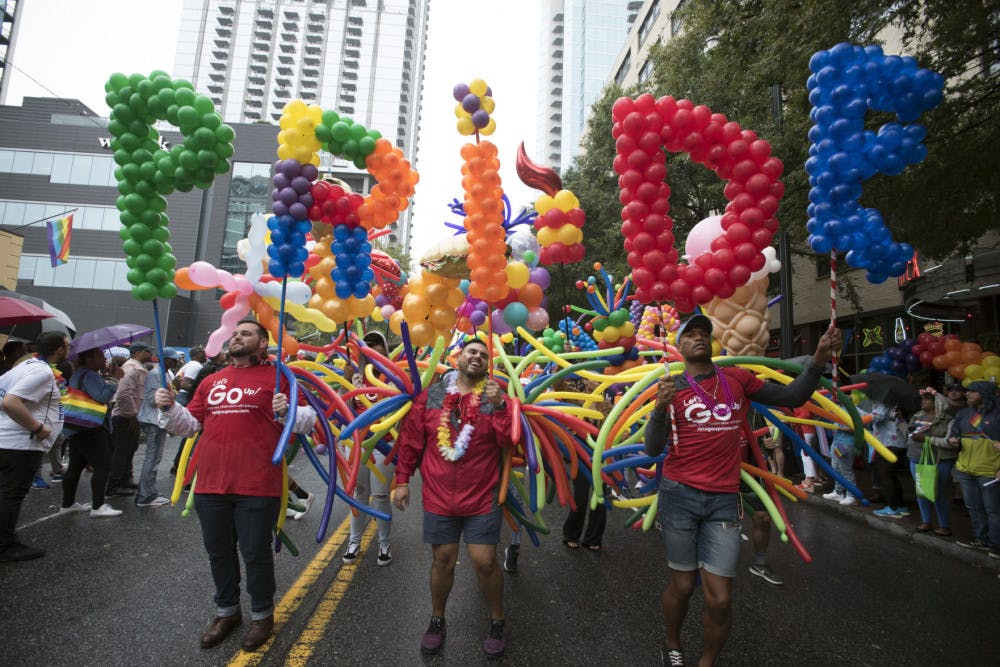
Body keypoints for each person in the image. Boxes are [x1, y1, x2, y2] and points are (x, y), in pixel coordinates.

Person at [643, 314, 840, 667]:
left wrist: (819, 358)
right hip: (679, 497)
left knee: (720, 599)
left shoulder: (736, 379)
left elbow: (792, 394)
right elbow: (652, 448)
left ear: (712, 343)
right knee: (684, 586)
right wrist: (659, 408)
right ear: (680, 346)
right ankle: (671, 642)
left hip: (722, 500)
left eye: (705, 333)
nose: (700, 338)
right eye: (691, 334)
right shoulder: (672, 387)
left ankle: (707, 661)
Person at [154, 318, 316, 651]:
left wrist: (286, 413)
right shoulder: (211, 380)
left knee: (255, 554)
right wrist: (170, 409)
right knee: (219, 553)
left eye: (246, 333)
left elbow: (308, 421)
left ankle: (262, 615)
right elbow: (190, 425)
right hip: (211, 484)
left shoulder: (279, 377)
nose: (237, 337)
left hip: (257, 483)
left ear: (262, 343)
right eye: (235, 333)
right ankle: (227, 613)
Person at [392, 337, 513, 659]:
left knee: (485, 561)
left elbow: (507, 441)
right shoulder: (431, 396)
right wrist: (402, 480)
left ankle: (497, 620)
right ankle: (437, 619)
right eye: (472, 352)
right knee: (442, 559)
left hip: (482, 494)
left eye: (484, 355)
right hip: (439, 495)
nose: (477, 357)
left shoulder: (495, 396)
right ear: (458, 357)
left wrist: (501, 406)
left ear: (488, 365)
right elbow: (412, 440)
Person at [0, 332, 68, 561]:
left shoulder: (26, 365)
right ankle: (6, 545)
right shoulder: (40, 371)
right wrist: (37, 428)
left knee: (6, 492)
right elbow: (10, 402)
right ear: (59, 349)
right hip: (20, 444)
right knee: (12, 494)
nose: (68, 350)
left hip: (11, 441)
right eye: (66, 346)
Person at [343, 330, 393, 565]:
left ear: (384, 348)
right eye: (368, 343)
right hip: (357, 443)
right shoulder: (355, 374)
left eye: (377, 343)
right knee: (359, 494)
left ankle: (385, 544)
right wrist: (346, 381)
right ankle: (354, 542)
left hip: (383, 443)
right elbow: (344, 409)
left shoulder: (393, 375)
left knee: (381, 496)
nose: (372, 346)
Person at [60, 348, 123, 518]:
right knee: (103, 465)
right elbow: (101, 397)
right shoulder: (89, 375)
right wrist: (116, 380)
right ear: (89, 358)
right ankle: (98, 506)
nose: (104, 360)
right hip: (90, 427)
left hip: (75, 425)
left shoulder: (78, 373)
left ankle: (68, 503)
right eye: (101, 357)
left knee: (76, 465)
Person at [948, 380, 1000, 557]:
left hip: (990, 471)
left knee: (993, 509)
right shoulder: (964, 414)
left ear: (985, 394)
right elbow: (954, 435)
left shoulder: (998, 415)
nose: (967, 395)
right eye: (967, 392)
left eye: (972, 392)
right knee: (973, 507)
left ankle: (996, 544)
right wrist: (952, 441)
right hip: (965, 469)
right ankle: (981, 539)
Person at [134, 348, 183, 508]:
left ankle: (149, 491)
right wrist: (167, 394)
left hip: (160, 421)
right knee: (152, 457)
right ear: (166, 359)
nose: (176, 362)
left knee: (155, 458)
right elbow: (150, 399)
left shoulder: (167, 374)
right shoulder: (156, 374)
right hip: (153, 420)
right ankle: (145, 496)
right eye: (173, 359)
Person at [905, 388, 957, 536]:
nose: (923, 401)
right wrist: (901, 421)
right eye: (923, 399)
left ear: (938, 402)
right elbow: (907, 435)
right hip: (916, 458)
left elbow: (950, 442)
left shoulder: (948, 420)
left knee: (938, 492)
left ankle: (944, 525)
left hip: (940, 460)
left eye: (927, 399)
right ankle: (926, 521)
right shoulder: (916, 416)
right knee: (921, 490)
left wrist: (927, 439)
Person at [107, 343, 151, 496]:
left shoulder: (138, 368)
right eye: (147, 351)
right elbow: (124, 394)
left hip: (132, 416)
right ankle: (113, 485)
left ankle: (125, 479)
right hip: (125, 417)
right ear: (139, 352)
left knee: (130, 449)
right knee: (121, 451)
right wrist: (131, 414)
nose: (150, 353)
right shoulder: (131, 369)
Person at [870, 400, 911, 518]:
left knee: (885, 476)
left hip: (888, 444)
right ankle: (900, 506)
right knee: (891, 476)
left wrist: (858, 415)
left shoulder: (883, 403)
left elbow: (876, 417)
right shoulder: (895, 404)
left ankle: (893, 508)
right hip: (898, 444)